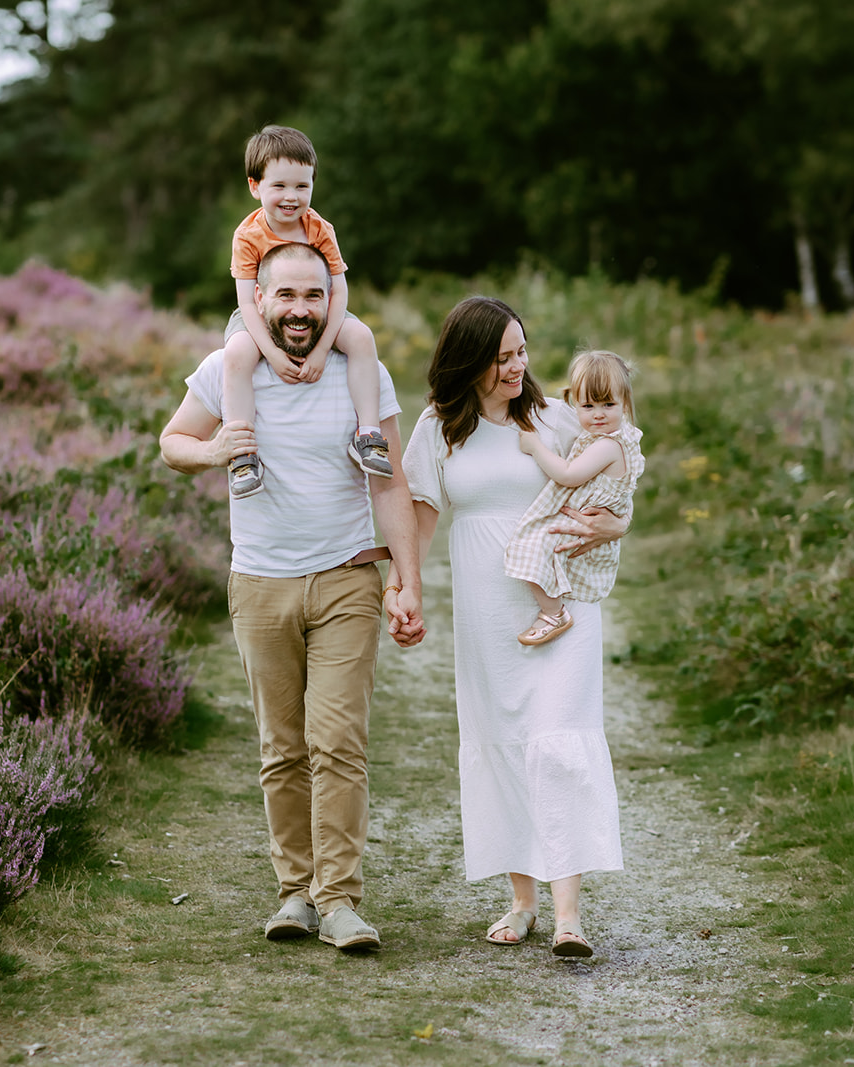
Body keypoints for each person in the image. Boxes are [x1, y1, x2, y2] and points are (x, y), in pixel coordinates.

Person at [159, 242, 424, 954]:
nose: (301, 310)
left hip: (345, 580)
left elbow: (390, 482)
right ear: (262, 299)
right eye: (287, 296)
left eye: (314, 295)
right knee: (282, 749)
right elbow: (174, 440)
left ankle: (339, 901)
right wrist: (216, 451)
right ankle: (295, 892)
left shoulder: (362, 372)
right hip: (260, 584)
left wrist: (408, 577)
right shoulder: (230, 366)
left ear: (330, 297)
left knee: (337, 743)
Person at [394, 296, 627, 958]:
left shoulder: (554, 419)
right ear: (469, 361)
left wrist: (620, 521)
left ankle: (568, 913)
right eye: (502, 358)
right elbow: (420, 517)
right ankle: (522, 899)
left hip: (563, 601)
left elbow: (613, 479)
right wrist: (402, 587)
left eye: (522, 351)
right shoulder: (440, 428)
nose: (518, 367)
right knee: (502, 741)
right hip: (487, 608)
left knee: (557, 741)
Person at [220, 125, 390, 500]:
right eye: (279, 186)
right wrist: (272, 353)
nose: (292, 197)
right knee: (235, 354)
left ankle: (368, 435)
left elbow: (339, 290)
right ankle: (243, 453)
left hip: (321, 308)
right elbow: (248, 301)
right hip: (260, 314)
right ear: (255, 186)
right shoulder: (248, 235)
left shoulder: (318, 228)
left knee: (361, 337)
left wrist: (320, 349)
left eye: (302, 186)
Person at [504, 350, 645, 646]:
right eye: (588, 405)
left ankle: (554, 613)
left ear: (625, 403)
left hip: (583, 526)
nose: (598, 414)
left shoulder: (608, 444)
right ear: (573, 403)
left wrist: (535, 447)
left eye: (608, 404)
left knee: (533, 545)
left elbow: (568, 474)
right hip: (586, 521)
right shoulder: (614, 438)